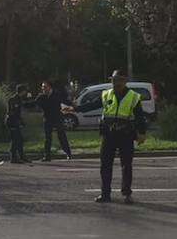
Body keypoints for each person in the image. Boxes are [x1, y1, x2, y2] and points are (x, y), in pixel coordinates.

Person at [73, 70, 147, 204]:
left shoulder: (133, 97)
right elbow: (92, 105)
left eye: (118, 80)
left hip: (126, 134)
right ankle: (105, 194)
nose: (115, 83)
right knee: (105, 165)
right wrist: (74, 109)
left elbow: (140, 117)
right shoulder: (107, 94)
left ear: (125, 81)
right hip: (109, 134)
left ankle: (127, 194)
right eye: (113, 80)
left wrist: (142, 133)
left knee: (126, 165)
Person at [31, 80, 73, 162]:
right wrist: (23, 103)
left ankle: (68, 153)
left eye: (45, 87)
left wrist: (73, 104)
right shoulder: (41, 97)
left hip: (57, 118)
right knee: (48, 138)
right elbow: (34, 103)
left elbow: (65, 101)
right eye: (42, 87)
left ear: (50, 87)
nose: (43, 88)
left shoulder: (56, 95)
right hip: (47, 119)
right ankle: (47, 156)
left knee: (62, 136)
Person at [5, 84, 31, 164]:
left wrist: (22, 122)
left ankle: (22, 156)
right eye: (25, 91)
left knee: (20, 140)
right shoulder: (13, 100)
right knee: (15, 140)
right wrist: (16, 123)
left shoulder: (19, 99)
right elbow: (12, 113)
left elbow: (18, 113)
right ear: (22, 91)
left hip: (16, 121)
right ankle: (13, 157)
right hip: (12, 122)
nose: (26, 93)